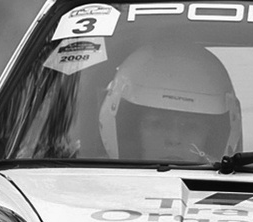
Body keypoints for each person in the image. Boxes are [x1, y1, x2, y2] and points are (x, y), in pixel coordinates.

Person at [99, 42, 242, 162]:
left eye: (191, 126)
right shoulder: (84, 188)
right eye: (156, 124)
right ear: (130, 130)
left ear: (213, 136)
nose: (174, 139)